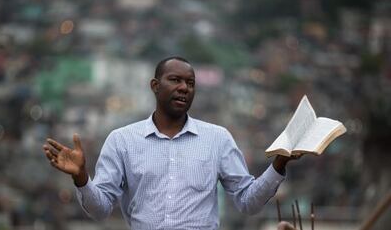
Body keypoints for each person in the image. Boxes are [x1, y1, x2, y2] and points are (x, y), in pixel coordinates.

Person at [42, 56, 299, 229]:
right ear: (155, 85)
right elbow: (100, 210)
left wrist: (280, 162)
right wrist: (81, 178)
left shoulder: (217, 139)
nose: (184, 88)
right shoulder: (122, 141)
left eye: (190, 83)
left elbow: (248, 201)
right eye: (175, 80)